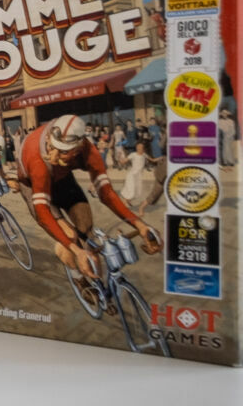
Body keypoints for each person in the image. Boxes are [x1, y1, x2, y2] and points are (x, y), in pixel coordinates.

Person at [17, 113, 161, 285]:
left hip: (62, 179)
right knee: (70, 236)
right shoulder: (38, 159)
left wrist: (140, 225)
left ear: (78, 148)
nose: (53, 156)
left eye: (63, 151)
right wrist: (76, 251)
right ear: (48, 138)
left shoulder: (88, 151)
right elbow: (42, 212)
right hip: (32, 183)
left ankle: (98, 282)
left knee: (86, 231)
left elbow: (107, 194)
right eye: (52, 147)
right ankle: (78, 279)